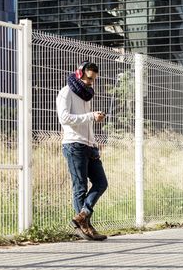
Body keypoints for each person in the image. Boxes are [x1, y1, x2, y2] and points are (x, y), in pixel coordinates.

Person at [56, 61, 108, 241]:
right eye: (88, 78)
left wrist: (93, 139)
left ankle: (83, 215)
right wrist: (90, 116)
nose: (90, 83)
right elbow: (64, 118)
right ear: (80, 74)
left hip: (89, 145)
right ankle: (86, 228)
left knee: (101, 183)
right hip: (74, 144)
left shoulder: (86, 95)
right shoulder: (66, 92)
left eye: (93, 80)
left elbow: (86, 122)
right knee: (80, 188)